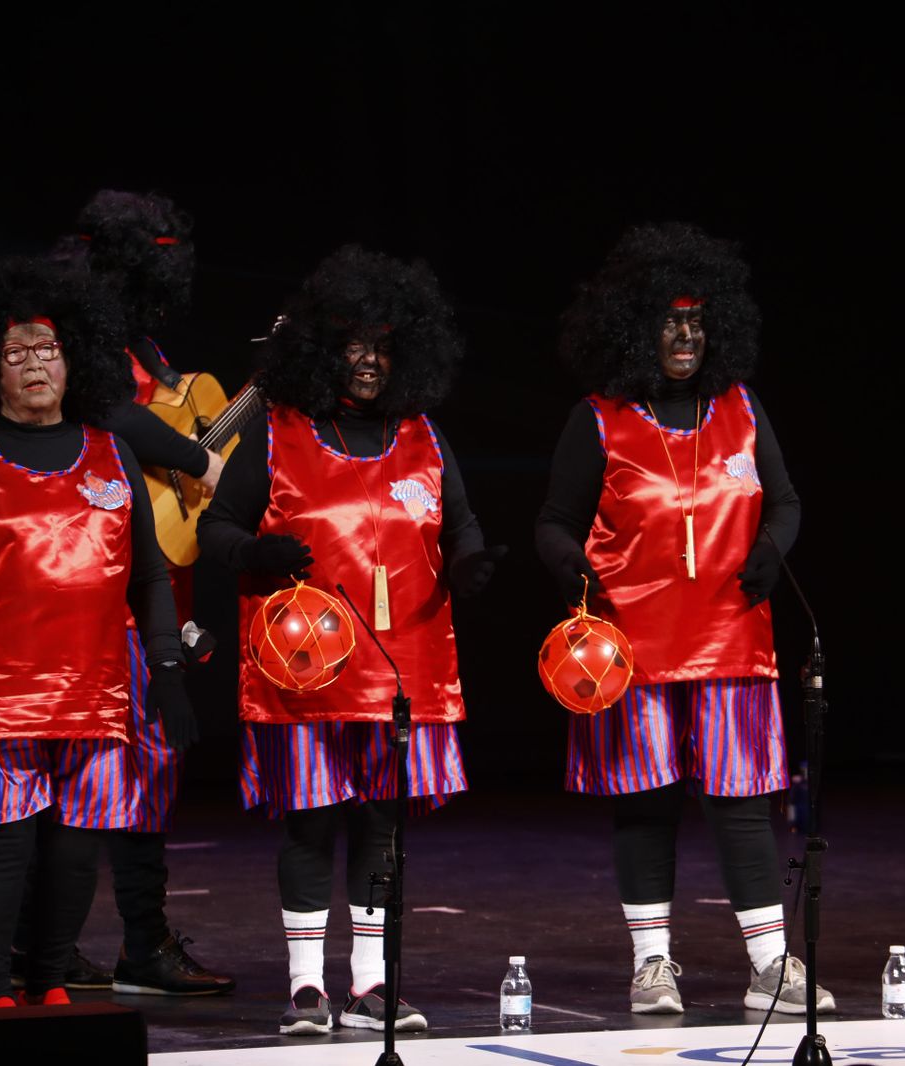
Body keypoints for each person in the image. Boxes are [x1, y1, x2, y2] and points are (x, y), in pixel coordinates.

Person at [198, 245, 498, 1035]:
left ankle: (370, 984)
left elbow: (460, 523)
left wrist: (468, 564)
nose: (368, 362)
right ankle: (306, 986)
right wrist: (253, 555)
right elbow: (216, 526)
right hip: (306, 673)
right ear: (323, 352)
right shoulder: (277, 429)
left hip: (404, 667)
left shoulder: (422, 434)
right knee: (311, 822)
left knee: (380, 824)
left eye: (382, 346)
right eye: (353, 346)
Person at [535, 223, 824, 1016]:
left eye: (697, 320)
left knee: (740, 804)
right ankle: (653, 965)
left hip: (733, 639)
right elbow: (554, 521)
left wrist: (772, 547)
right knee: (647, 804)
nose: (686, 336)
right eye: (669, 321)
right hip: (633, 647)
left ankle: (771, 965)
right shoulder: (600, 418)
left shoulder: (740, 407)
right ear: (633, 330)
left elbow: (788, 499)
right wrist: (572, 567)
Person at [0, 257, 195, 1008]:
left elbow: (149, 576)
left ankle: (47, 982)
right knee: (4, 848)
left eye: (49, 349)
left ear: (75, 360)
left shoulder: (114, 454)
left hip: (94, 692)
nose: (36, 364)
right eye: (16, 353)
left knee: (75, 855)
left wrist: (165, 672)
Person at [51, 187, 234, 996]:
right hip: (94, 586)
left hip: (163, 581)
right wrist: (199, 462)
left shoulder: (149, 349)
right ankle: (45, 947)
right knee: (82, 769)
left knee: (152, 769)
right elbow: (113, 419)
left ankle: (143, 943)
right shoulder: (74, 339)